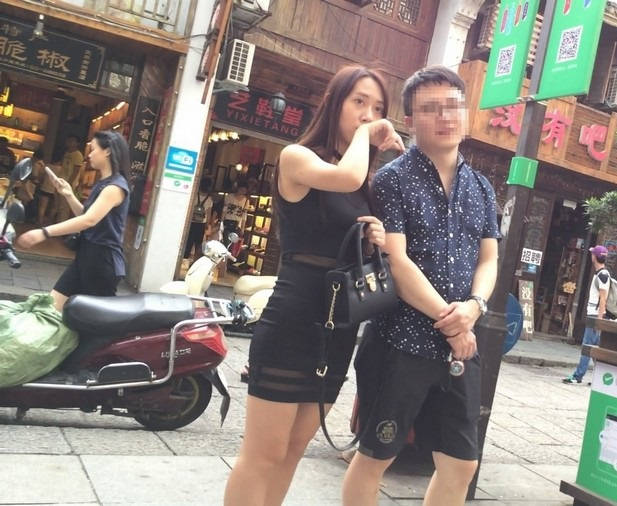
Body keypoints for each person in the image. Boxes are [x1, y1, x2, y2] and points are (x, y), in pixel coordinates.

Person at [223, 65, 405, 506]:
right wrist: (369, 134)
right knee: (263, 454)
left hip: (337, 328)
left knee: (293, 451)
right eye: (358, 102)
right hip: (292, 321)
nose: (368, 114)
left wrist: (375, 240)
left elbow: (358, 238)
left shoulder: (365, 185)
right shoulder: (297, 158)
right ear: (335, 103)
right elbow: (344, 177)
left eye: (378, 108)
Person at [342, 65, 500, 506]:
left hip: (460, 348)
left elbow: (489, 259)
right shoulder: (392, 179)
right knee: (376, 456)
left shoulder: (482, 188)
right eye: (430, 109)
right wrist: (453, 323)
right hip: (400, 343)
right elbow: (396, 260)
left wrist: (474, 307)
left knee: (461, 463)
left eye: (452, 106)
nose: (445, 117)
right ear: (410, 119)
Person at [16, 130, 130, 311]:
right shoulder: (103, 183)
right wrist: (68, 194)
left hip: (102, 262)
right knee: (51, 308)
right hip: (86, 256)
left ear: (107, 151)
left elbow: (89, 220)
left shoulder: (115, 187)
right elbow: (85, 214)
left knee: (93, 321)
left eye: (93, 149)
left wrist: (44, 232)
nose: (89, 155)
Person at [563, 245, 610, 384]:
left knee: (587, 347)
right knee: (596, 350)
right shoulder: (600, 274)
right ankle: (601, 378)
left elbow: (603, 298)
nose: (591, 256)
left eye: (592, 254)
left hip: (595, 316)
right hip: (595, 316)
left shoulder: (602, 275)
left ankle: (578, 376)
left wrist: (599, 322)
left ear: (594, 257)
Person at [184, 177, 213, 259]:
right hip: (201, 224)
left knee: (188, 243)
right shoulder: (209, 199)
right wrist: (207, 225)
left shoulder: (194, 196)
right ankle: (195, 260)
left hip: (191, 222)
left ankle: (184, 259)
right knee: (198, 244)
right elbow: (209, 213)